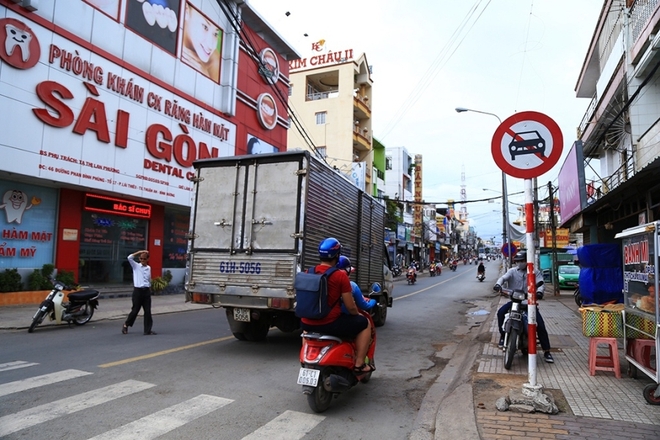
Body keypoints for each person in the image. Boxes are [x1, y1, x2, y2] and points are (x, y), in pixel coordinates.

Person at [300, 238, 374, 373]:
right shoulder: (340, 276)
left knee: (306, 332)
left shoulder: (307, 272)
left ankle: (305, 360)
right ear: (337, 255)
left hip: (306, 323)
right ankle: (359, 364)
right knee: (365, 323)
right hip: (330, 324)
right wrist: (356, 315)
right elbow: (350, 306)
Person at [493, 251, 554, 363]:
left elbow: (541, 283)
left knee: (540, 325)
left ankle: (547, 351)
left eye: (522, 261)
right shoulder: (512, 271)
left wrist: (539, 292)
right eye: (518, 261)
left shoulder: (534, 272)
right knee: (500, 312)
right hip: (515, 302)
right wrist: (498, 285)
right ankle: (503, 336)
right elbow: (503, 278)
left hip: (529, 303)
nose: (520, 263)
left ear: (527, 261)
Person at [181, 3, 221, 82]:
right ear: (186, 10)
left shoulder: (214, 62)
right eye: (205, 27)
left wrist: (206, 76)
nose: (210, 45)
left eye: (215, 34)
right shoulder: (168, 32)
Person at [122, 250, 156, 335]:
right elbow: (129, 257)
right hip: (138, 291)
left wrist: (150, 288)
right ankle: (126, 325)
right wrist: (140, 251)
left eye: (144, 259)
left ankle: (147, 330)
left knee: (147, 311)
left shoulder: (148, 268)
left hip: (146, 291)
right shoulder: (136, 266)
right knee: (135, 310)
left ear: (147, 259)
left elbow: (148, 279)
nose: (142, 260)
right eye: (140, 258)